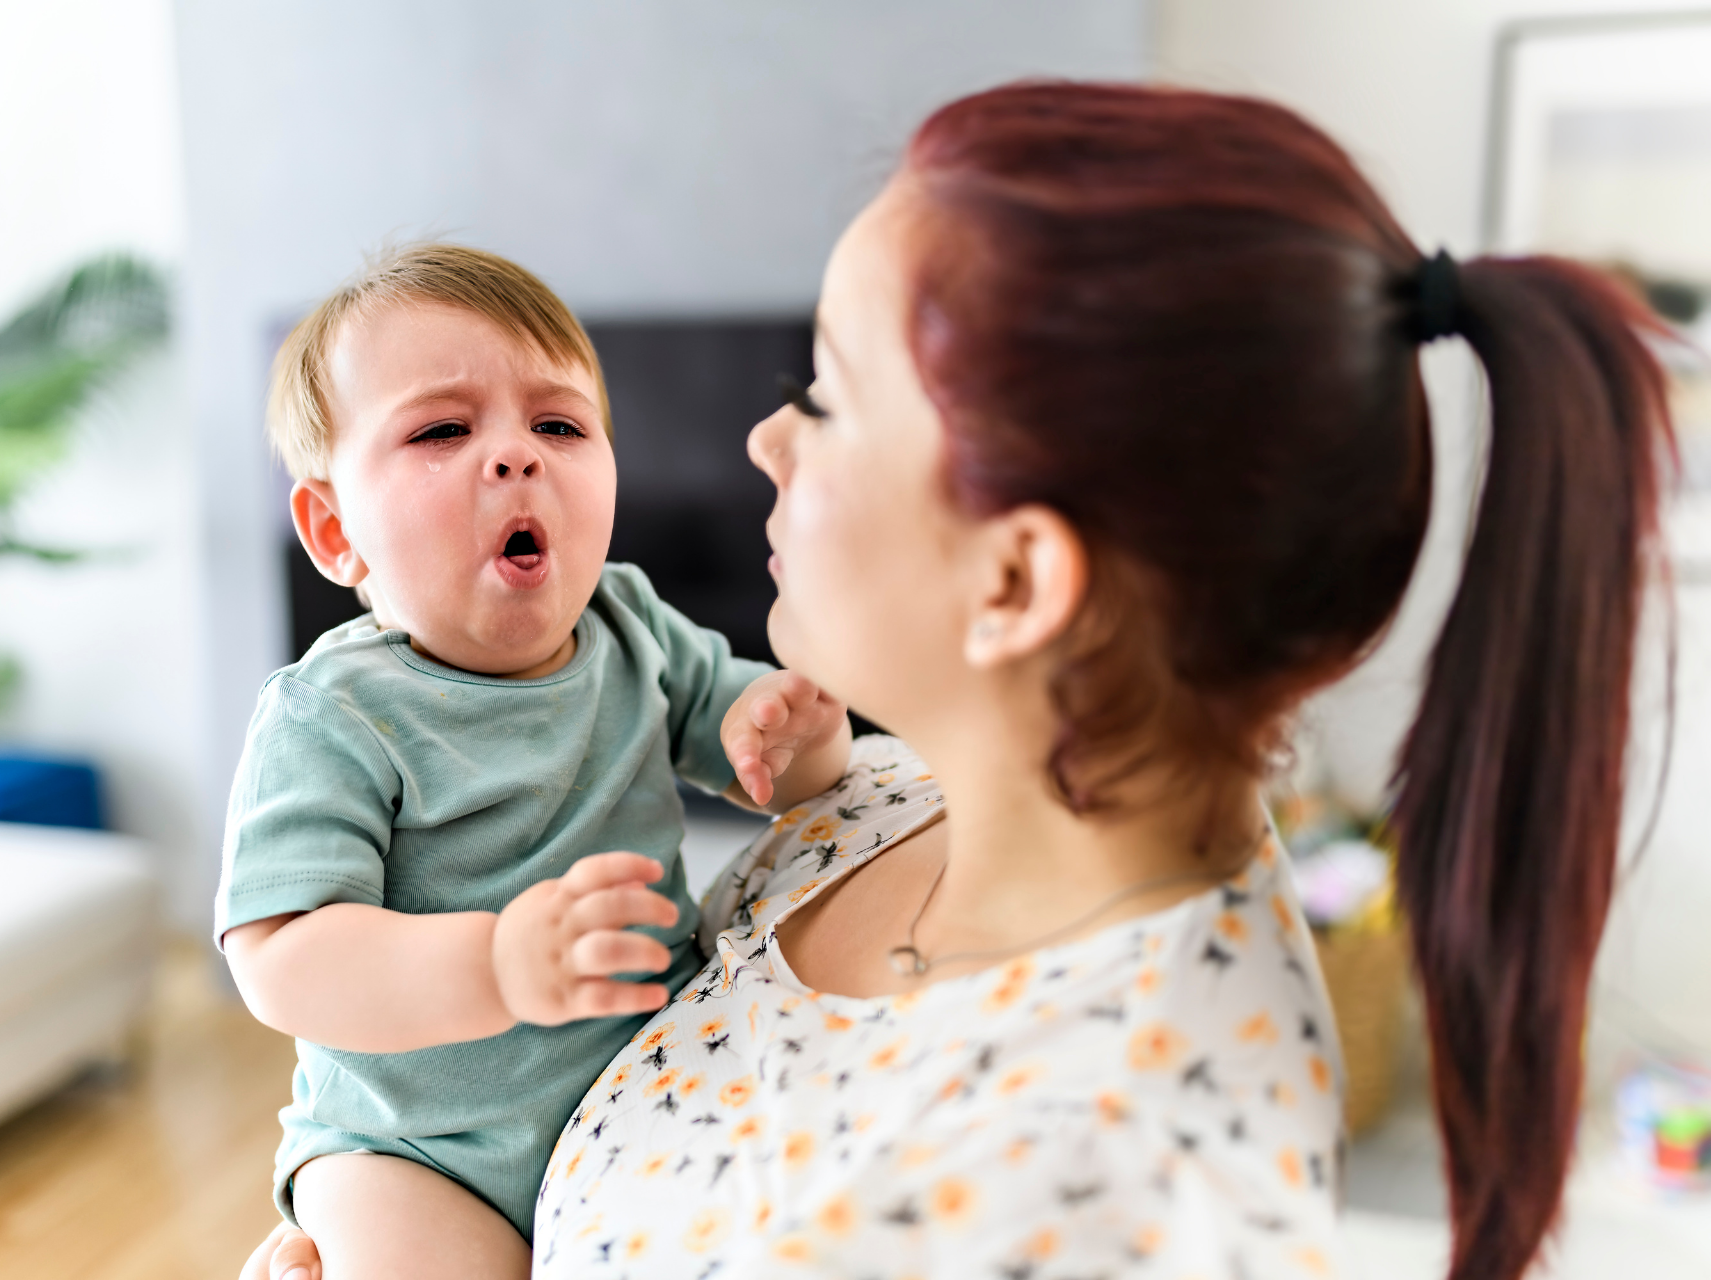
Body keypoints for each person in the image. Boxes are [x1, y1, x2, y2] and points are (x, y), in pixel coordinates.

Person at [246, 82, 1672, 1280]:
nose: (762, 439)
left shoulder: (1088, 1179)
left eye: (829, 391)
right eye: (439, 432)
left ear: (1015, 581)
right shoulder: (906, 802)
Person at [218, 243, 853, 1278]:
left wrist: (802, 729)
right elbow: (280, 960)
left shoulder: (631, 621)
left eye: (558, 424)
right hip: (415, 1151)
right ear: (335, 530)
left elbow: (790, 776)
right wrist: (498, 964)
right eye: (441, 429)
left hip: (646, 1083)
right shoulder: (331, 712)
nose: (516, 455)